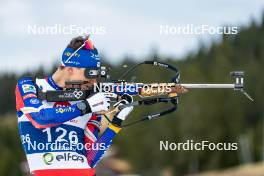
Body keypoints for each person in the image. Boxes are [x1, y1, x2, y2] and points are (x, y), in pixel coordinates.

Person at [15, 36, 133, 176]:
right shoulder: (30, 86)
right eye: (89, 75)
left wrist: (116, 123)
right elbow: (40, 119)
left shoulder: (89, 100)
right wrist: (85, 106)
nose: (93, 83)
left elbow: (91, 158)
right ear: (70, 68)